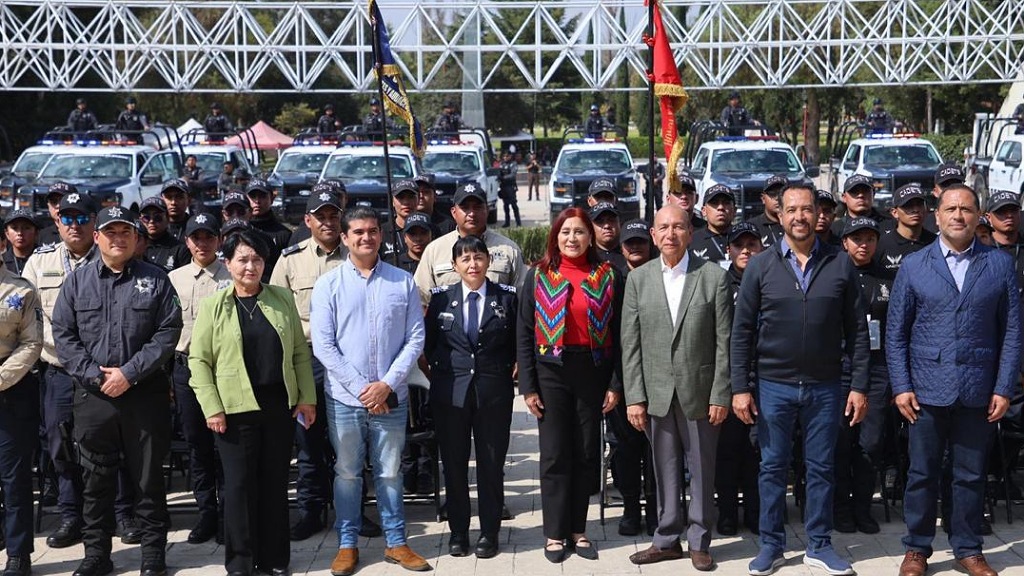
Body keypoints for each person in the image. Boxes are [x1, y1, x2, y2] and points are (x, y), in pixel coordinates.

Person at [731, 184, 870, 576]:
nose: (799, 217)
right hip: (773, 385)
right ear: (779, 215)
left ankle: (819, 545)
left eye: (806, 209)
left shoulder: (840, 263)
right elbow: (741, 332)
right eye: (791, 209)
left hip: (825, 386)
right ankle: (771, 545)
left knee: (822, 467)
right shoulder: (761, 265)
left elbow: (857, 331)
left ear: (818, 214)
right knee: (772, 467)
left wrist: (859, 386)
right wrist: (740, 387)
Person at [888, 183, 1022, 576]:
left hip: (978, 388)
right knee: (922, 473)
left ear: (978, 216)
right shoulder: (915, 265)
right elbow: (896, 332)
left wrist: (1004, 387)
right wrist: (902, 386)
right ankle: (917, 548)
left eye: (966, 209)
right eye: (950, 209)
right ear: (937, 216)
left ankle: (968, 548)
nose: (958, 216)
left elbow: (1012, 332)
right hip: (925, 389)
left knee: (970, 474)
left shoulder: (999, 264)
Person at [52, 205, 183, 576]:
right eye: (111, 232)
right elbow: (64, 335)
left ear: (136, 238)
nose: (118, 239)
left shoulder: (156, 280)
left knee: (148, 480)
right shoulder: (77, 283)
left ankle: (153, 554)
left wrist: (129, 373)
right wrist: (96, 376)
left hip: (144, 395)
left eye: (126, 232)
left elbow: (168, 331)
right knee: (95, 482)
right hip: (94, 398)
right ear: (97, 237)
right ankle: (96, 554)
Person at [310, 207, 430, 576]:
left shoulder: (402, 282)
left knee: (390, 471)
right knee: (347, 472)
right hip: (345, 399)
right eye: (359, 232)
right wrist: (363, 389)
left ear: (381, 234)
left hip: (391, 397)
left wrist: (386, 385)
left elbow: (415, 339)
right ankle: (347, 544)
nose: (367, 237)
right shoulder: (328, 285)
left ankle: (396, 542)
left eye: (373, 230)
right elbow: (324, 345)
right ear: (345, 238)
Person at [189, 230, 316, 576]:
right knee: (239, 486)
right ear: (228, 263)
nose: (250, 266)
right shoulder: (214, 305)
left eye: (257, 259)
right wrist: (212, 406)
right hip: (233, 409)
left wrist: (306, 398)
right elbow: (199, 360)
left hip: (278, 405)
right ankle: (241, 563)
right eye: (242, 259)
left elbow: (299, 352)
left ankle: (274, 559)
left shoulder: (281, 298)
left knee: (274, 483)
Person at [621, 205, 732, 572]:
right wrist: (635, 397)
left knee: (702, 469)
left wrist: (720, 394)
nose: (671, 234)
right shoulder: (638, 280)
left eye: (678, 227)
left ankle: (699, 541)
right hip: (656, 393)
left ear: (690, 233)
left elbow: (724, 343)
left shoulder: (713, 278)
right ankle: (667, 538)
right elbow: (630, 344)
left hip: (700, 392)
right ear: (653, 235)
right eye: (663, 228)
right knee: (664, 468)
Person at [517, 207, 623, 563]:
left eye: (579, 232)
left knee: (586, 452)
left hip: (592, 370)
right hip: (551, 371)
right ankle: (554, 533)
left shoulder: (608, 275)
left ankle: (578, 529)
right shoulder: (538, 275)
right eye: (565, 232)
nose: (572, 239)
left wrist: (615, 383)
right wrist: (528, 387)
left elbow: (621, 334)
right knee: (554, 453)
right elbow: (524, 333)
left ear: (590, 237)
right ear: (555, 236)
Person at [425, 235, 517, 559]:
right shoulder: (441, 300)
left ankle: (489, 532)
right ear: (454, 265)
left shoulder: (506, 298)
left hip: (493, 393)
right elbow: (429, 345)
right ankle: (459, 532)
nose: (473, 264)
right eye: (465, 259)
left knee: (491, 464)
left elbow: (517, 344)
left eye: (478, 257)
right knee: (454, 464)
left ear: (488, 261)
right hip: (451, 393)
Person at [22, 193, 104, 551]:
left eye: (82, 218)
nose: (75, 225)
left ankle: (113, 512)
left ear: (94, 222)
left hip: (101, 371)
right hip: (57, 371)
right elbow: (27, 316)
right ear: (57, 223)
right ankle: (71, 515)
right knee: (60, 447)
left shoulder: (110, 256)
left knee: (105, 445)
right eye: (67, 219)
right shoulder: (40, 263)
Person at [269, 191, 347, 541]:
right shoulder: (290, 260)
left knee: (349, 440)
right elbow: (274, 313)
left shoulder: (356, 254)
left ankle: (351, 510)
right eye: (321, 216)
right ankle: (310, 511)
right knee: (308, 440)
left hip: (347, 359)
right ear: (308, 221)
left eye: (333, 215)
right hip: (307, 359)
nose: (328, 222)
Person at [167, 213, 231, 546]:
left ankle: (228, 515)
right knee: (198, 446)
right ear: (187, 241)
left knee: (226, 444)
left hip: (224, 370)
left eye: (209, 237)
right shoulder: (174, 279)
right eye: (196, 238)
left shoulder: (232, 274)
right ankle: (207, 512)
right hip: (185, 369)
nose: (202, 243)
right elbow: (164, 328)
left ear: (219, 240)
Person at [835, 218, 892, 535]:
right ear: (845, 242)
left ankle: (862, 508)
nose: (864, 244)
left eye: (870, 238)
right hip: (840, 368)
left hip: (876, 368)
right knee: (841, 442)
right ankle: (841, 509)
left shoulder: (887, 280)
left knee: (870, 443)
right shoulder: (834, 276)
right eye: (857, 239)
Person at [715, 222, 763, 536]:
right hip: (729, 376)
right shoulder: (719, 282)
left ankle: (757, 514)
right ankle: (728, 513)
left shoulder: (769, 278)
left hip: (765, 375)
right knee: (728, 450)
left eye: (751, 245)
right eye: (738, 245)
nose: (745, 251)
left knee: (758, 451)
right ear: (728, 250)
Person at [0, 231, 43, 576]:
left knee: (14, 479)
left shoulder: (21, 290)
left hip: (10, 390)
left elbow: (31, 343)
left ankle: (18, 554)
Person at [413, 182, 527, 304]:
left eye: (477, 207)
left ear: (487, 210)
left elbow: (522, 298)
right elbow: (420, 298)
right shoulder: (435, 250)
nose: (472, 214)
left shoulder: (509, 250)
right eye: (465, 208)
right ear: (453, 212)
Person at [875, 184, 937, 279]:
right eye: (908, 206)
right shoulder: (881, 245)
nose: (915, 210)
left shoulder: (936, 243)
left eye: (919, 204)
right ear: (895, 212)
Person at [985, 190, 1024, 291]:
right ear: (989, 217)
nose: (1009, 215)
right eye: (1001, 211)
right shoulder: (982, 250)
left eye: (1013, 210)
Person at [139, 197, 190, 272]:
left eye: (157, 217)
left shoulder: (180, 250)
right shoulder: (135, 247)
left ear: (167, 218)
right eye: (146, 218)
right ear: (140, 220)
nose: (151, 221)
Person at [689, 184, 735, 264]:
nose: (720, 207)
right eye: (714, 203)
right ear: (704, 211)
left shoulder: (744, 238)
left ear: (734, 210)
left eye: (726, 203)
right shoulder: (691, 240)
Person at [380, 180, 420, 262]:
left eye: (411, 197)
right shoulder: (382, 232)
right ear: (392, 201)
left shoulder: (429, 229)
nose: (406, 202)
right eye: (400, 197)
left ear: (418, 200)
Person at [926, 164, 966, 234]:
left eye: (956, 185)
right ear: (935, 192)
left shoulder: (973, 220)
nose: (951, 190)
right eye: (945, 186)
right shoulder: (924, 224)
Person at [747, 175, 786, 246]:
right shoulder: (751, 227)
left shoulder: (798, 223)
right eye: (773, 194)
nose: (778, 198)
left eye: (782, 193)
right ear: (763, 199)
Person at [590, 202, 627, 272]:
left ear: (620, 223)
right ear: (591, 227)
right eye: (600, 221)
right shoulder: (586, 256)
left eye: (611, 220)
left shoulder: (630, 253)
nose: (607, 226)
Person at [3, 210, 39, 274]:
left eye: (26, 228)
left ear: (36, 233)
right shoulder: (2, 262)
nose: (20, 233)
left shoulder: (45, 259)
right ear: (7, 233)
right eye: (14, 228)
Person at [499, 151, 521, 228]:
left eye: (507, 156)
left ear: (510, 156)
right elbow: (498, 172)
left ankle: (518, 223)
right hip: (503, 187)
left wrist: (503, 177)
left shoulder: (513, 164)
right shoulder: (502, 164)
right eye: (504, 156)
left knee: (514, 205)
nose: (505, 157)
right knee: (505, 206)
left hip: (511, 187)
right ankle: (507, 222)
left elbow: (513, 175)